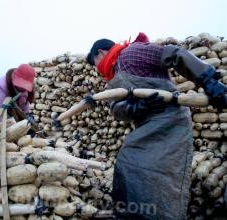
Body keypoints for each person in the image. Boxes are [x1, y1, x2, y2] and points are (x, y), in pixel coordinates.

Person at [86, 32, 227, 219]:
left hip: (171, 121)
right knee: (127, 163)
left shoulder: (132, 53)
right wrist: (137, 106)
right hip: (146, 125)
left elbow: (174, 54)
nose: (97, 69)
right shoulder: (113, 80)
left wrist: (207, 79)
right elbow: (117, 110)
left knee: (163, 175)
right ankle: (133, 214)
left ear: (101, 53)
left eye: (94, 62)